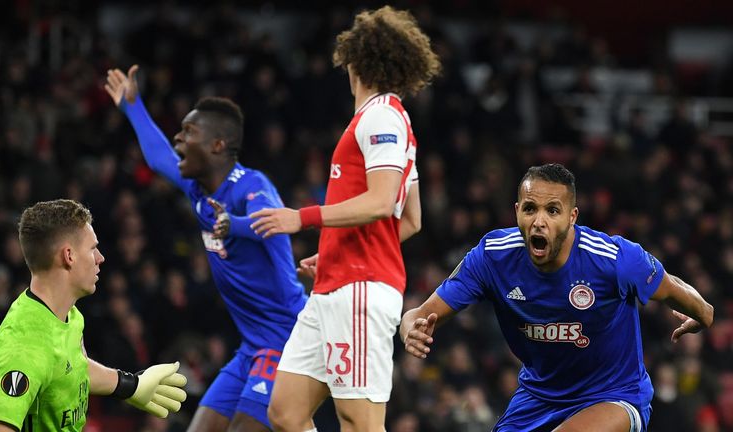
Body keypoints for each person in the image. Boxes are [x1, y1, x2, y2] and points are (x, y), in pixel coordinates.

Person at [400, 163, 715, 432]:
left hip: (615, 395)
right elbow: (421, 313)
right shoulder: (492, 257)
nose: (539, 221)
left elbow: (670, 286)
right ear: (516, 212)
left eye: (552, 210)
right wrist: (411, 326)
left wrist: (703, 314)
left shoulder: (613, 260)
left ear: (572, 216)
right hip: (539, 396)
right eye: (530, 209)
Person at [250, 6, 441, 431]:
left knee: (359, 423)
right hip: (334, 285)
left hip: (359, 290)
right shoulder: (386, 119)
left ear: (355, 59)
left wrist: (303, 218)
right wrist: (334, 250)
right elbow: (409, 220)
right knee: (286, 412)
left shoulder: (381, 117)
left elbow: (379, 202)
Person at [105, 65, 308, 432]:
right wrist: (132, 106)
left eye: (189, 131)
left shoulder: (251, 185)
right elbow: (158, 157)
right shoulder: (198, 191)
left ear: (217, 145)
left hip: (287, 339)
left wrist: (236, 224)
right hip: (252, 347)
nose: (178, 139)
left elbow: (271, 225)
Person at [0, 199, 187, 432]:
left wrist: (131, 385)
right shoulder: (24, 346)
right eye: (92, 248)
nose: (100, 258)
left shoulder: (70, 315)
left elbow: (71, 367)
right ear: (69, 255)